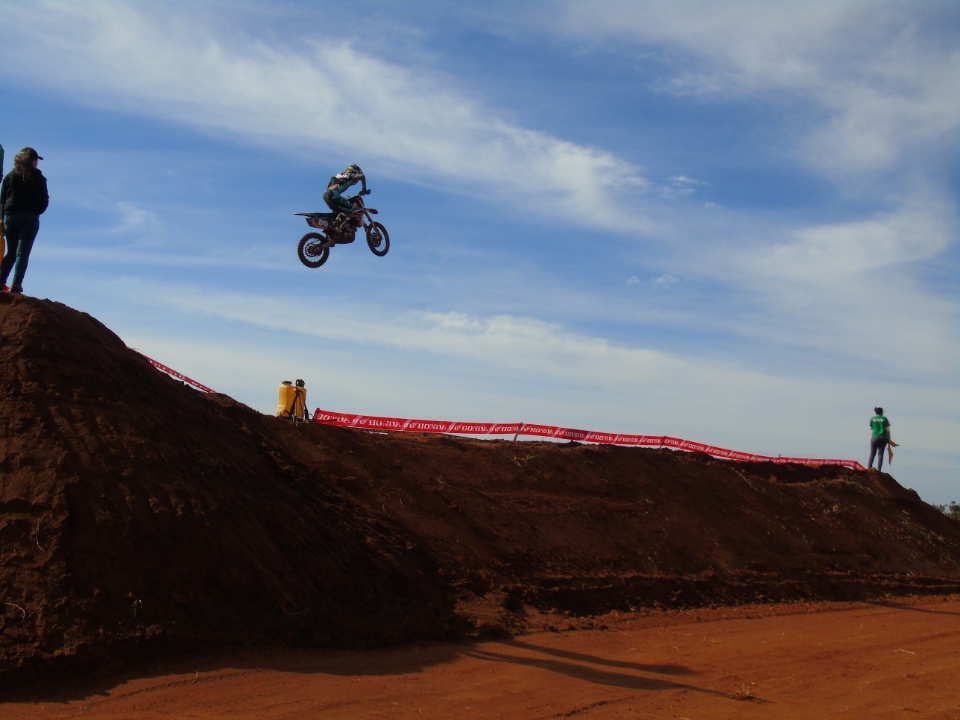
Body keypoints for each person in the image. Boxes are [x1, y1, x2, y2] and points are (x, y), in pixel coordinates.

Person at [0, 147, 49, 294]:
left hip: (10, 217)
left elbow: (2, 200)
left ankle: (1, 280)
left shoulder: (9, 177)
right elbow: (44, 201)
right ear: (33, 161)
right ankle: (16, 283)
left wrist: (2, 219)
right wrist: (36, 212)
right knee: (23, 253)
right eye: (36, 161)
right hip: (29, 218)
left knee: (12, 252)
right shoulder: (38, 178)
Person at [323, 163, 368, 231]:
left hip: (326, 195)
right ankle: (335, 224)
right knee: (351, 210)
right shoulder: (350, 175)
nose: (356, 182)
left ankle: (333, 229)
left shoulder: (339, 175)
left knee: (338, 211)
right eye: (357, 180)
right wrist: (364, 189)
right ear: (355, 171)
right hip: (333, 195)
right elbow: (362, 176)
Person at [867, 406, 891, 471]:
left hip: (875, 437)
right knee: (880, 453)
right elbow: (888, 430)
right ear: (882, 412)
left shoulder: (872, 418)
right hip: (883, 437)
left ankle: (869, 466)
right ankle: (879, 468)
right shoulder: (884, 418)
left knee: (872, 453)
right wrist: (889, 439)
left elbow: (871, 428)